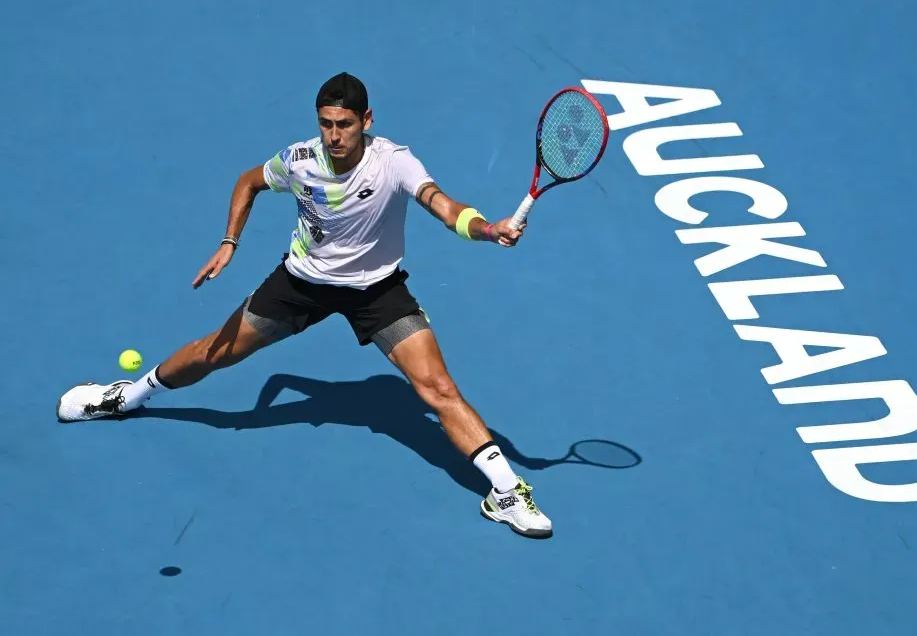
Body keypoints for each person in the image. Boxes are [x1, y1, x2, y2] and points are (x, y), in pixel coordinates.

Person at [56, 72, 552, 539]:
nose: (334, 135)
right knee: (215, 352)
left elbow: (443, 206)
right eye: (326, 123)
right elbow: (248, 182)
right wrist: (231, 241)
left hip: (376, 292)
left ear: (368, 121)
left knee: (438, 387)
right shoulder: (298, 160)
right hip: (302, 284)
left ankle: (506, 492)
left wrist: (488, 229)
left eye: (345, 124)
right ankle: (125, 396)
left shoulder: (395, 162)